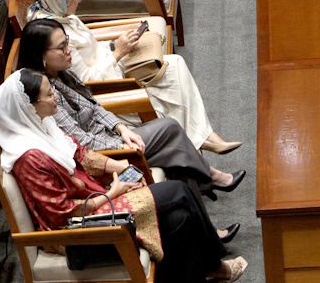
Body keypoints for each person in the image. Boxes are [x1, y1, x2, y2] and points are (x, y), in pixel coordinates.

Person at [0, 69, 249, 282]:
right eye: (49, 95)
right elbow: (63, 213)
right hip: (78, 228)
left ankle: (205, 271)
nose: (56, 99)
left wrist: (121, 167)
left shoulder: (43, 125)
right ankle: (216, 262)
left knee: (178, 217)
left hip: (95, 199)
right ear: (28, 107)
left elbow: (81, 154)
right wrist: (111, 194)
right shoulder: (29, 159)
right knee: (178, 193)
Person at [18, 17, 247, 198]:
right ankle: (209, 178)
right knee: (170, 130)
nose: (69, 50)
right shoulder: (45, 95)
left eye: (67, 42)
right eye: (62, 47)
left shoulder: (62, 72)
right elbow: (82, 144)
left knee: (172, 142)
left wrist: (121, 127)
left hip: (110, 136)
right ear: (42, 57)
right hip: (104, 156)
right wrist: (120, 142)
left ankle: (207, 203)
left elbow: (95, 107)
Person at [27, 0, 242, 154]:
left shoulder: (63, 14)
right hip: (109, 87)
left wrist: (116, 44)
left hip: (112, 65)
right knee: (172, 78)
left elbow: (91, 49)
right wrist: (117, 53)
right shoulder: (55, 36)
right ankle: (199, 142)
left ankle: (205, 137)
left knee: (175, 62)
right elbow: (85, 83)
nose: (80, 0)